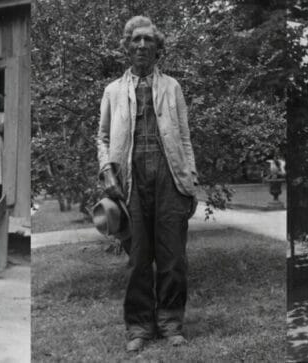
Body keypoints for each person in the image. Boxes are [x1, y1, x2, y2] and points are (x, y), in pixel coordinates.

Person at [96, 16, 199, 352]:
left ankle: (171, 324)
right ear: (127, 47)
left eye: (148, 40)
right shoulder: (112, 90)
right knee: (138, 259)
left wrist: (190, 181)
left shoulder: (173, 87)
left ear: (158, 48)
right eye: (135, 40)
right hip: (130, 183)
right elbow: (102, 137)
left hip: (169, 179)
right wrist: (106, 169)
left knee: (173, 258)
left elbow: (184, 138)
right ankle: (139, 327)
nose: (141, 45)